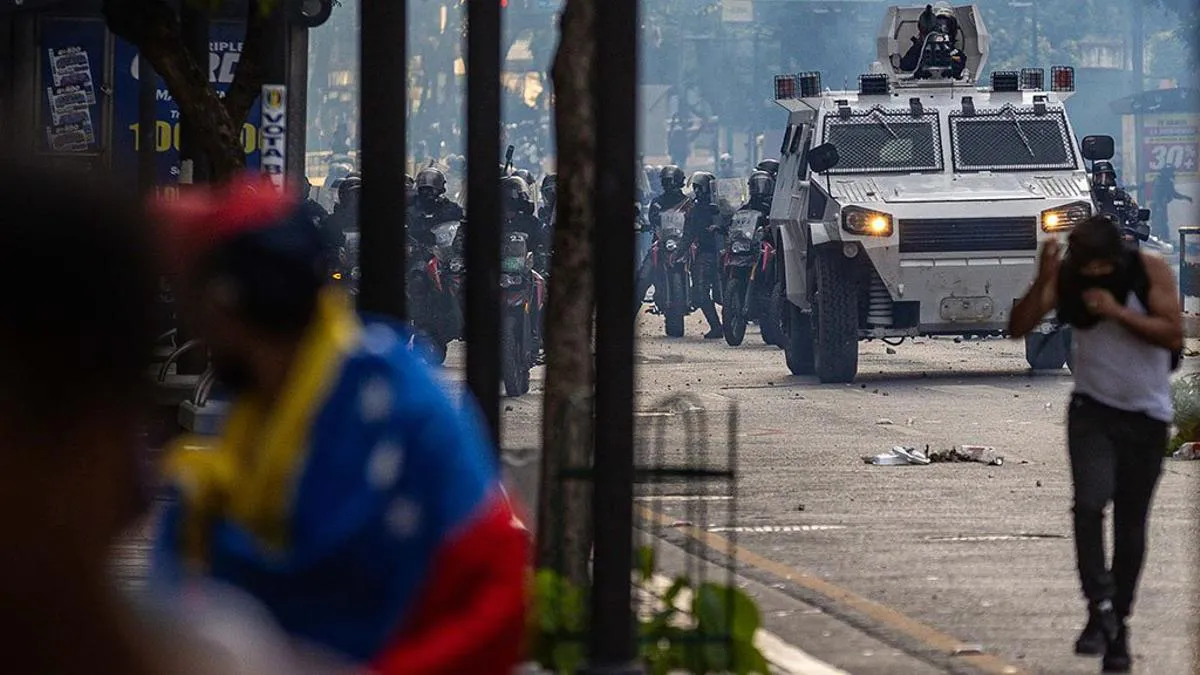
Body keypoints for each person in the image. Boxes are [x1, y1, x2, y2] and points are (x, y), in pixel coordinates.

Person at [151, 177, 529, 673]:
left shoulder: (390, 404)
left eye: (194, 300)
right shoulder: (253, 420)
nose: (191, 323)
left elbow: (496, 593)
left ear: (227, 303)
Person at [1008, 216, 1181, 673]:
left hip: (1146, 417)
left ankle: (1117, 624)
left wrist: (1117, 311)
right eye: (1090, 269)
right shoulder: (1071, 273)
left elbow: (1172, 334)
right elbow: (1018, 325)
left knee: (1130, 522)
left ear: (1118, 257)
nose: (1095, 277)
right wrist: (1043, 281)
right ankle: (1099, 604)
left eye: (1104, 269)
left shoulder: (1150, 271)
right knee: (1088, 504)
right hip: (1092, 412)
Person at [635, 165, 690, 310]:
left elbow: (694, 221)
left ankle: (698, 298)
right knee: (643, 278)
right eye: (666, 182)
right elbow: (653, 219)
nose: (669, 185)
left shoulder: (688, 203)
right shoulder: (657, 202)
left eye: (672, 181)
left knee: (703, 275)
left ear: (680, 182)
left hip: (683, 244)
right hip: (660, 244)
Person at [687, 171, 724, 339]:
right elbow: (688, 234)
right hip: (706, 254)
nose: (696, 191)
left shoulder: (722, 207)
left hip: (723, 254)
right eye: (695, 187)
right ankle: (717, 326)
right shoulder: (694, 210)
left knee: (724, 294)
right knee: (701, 293)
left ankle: (730, 326)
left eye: (698, 187)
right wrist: (679, 253)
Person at [407, 167, 464, 247]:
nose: (429, 194)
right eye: (425, 189)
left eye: (433, 190)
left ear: (440, 191)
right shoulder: (410, 205)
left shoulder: (447, 207)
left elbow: (458, 217)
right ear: (419, 189)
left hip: (438, 250)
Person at [1148, 165, 1193, 241]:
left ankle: (1165, 240)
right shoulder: (1159, 181)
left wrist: (1186, 197)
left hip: (1162, 205)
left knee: (1163, 224)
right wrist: (1159, 207)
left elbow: (1174, 194)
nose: (1172, 173)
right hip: (1157, 206)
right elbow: (1156, 195)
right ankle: (1154, 241)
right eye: (1170, 172)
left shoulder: (1168, 182)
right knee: (1157, 224)